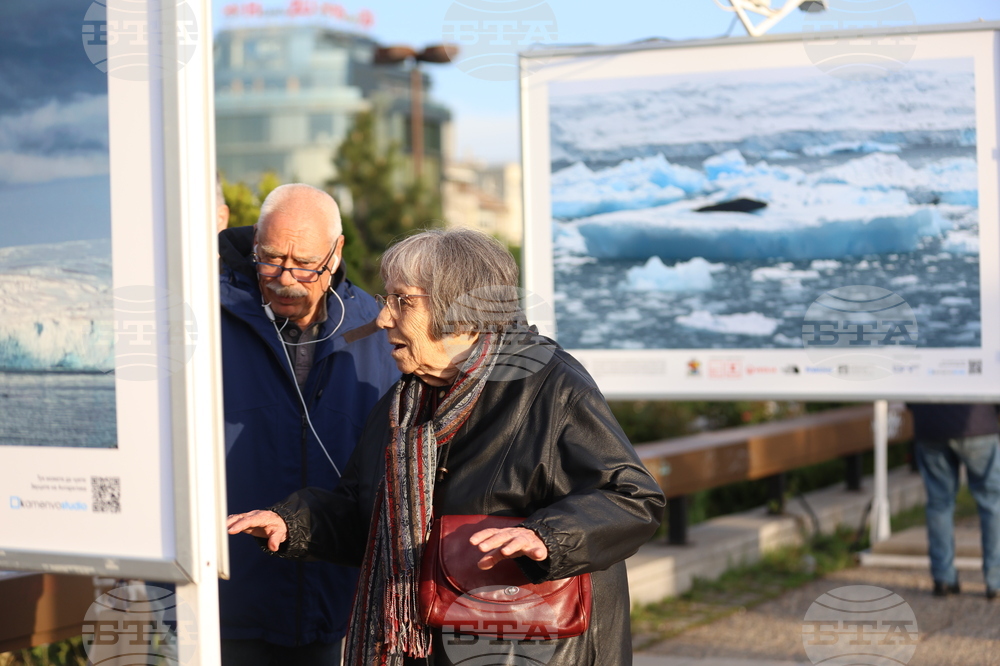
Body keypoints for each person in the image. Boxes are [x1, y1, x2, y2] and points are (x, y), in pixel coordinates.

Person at [228, 227, 666, 666]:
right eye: (386, 300)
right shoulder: (403, 404)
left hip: (533, 650)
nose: (382, 319)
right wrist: (295, 523)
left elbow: (632, 498)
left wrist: (547, 537)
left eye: (404, 301)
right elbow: (365, 516)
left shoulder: (548, 385)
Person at [217, 183, 400, 664]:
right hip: (223, 599)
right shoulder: (205, 316)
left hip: (337, 602)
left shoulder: (378, 330)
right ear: (254, 240)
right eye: (271, 258)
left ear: (337, 253)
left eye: (305, 264)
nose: (284, 278)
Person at [907, 403, 1000, 599]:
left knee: (939, 503)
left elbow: (909, 392)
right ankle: (995, 580)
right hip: (978, 421)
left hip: (930, 424)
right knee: (992, 503)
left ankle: (943, 578)